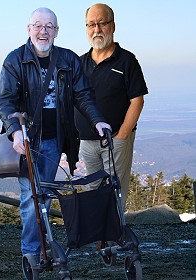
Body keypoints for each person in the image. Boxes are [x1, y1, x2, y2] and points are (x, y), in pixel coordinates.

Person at [0, 7, 110, 259]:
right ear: (29, 29)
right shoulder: (15, 60)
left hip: (54, 140)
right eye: (37, 25)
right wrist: (15, 132)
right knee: (30, 197)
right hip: (27, 141)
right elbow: (4, 101)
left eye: (49, 26)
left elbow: (83, 96)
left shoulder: (68, 60)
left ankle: (42, 241)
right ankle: (32, 254)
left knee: (44, 197)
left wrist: (98, 121)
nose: (43, 31)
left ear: (56, 31)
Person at [74, 3, 148, 207]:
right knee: (93, 191)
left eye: (102, 23)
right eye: (91, 24)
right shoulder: (79, 63)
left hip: (116, 138)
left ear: (113, 26)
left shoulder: (126, 61)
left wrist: (122, 135)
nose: (96, 29)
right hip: (87, 141)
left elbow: (137, 100)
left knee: (115, 192)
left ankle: (115, 237)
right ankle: (99, 237)